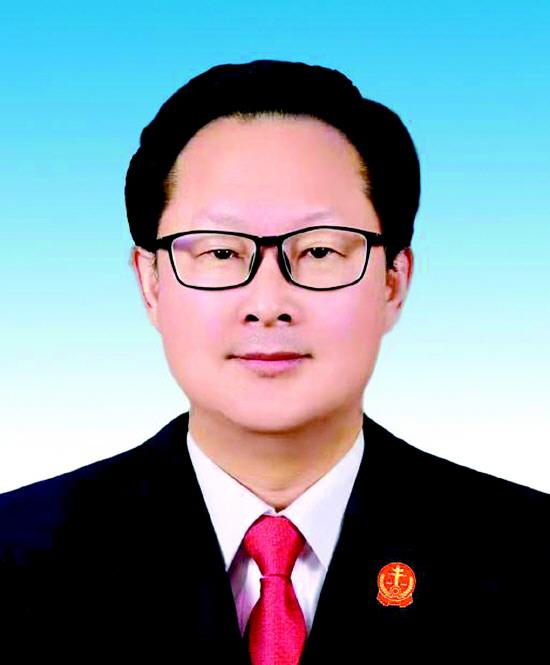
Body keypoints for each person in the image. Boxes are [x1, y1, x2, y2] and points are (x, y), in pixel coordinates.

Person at [0, 59, 548, 662]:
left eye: (319, 251)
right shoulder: (18, 556)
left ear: (393, 282)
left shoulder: (531, 557)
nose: (268, 304)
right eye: (219, 253)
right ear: (151, 284)